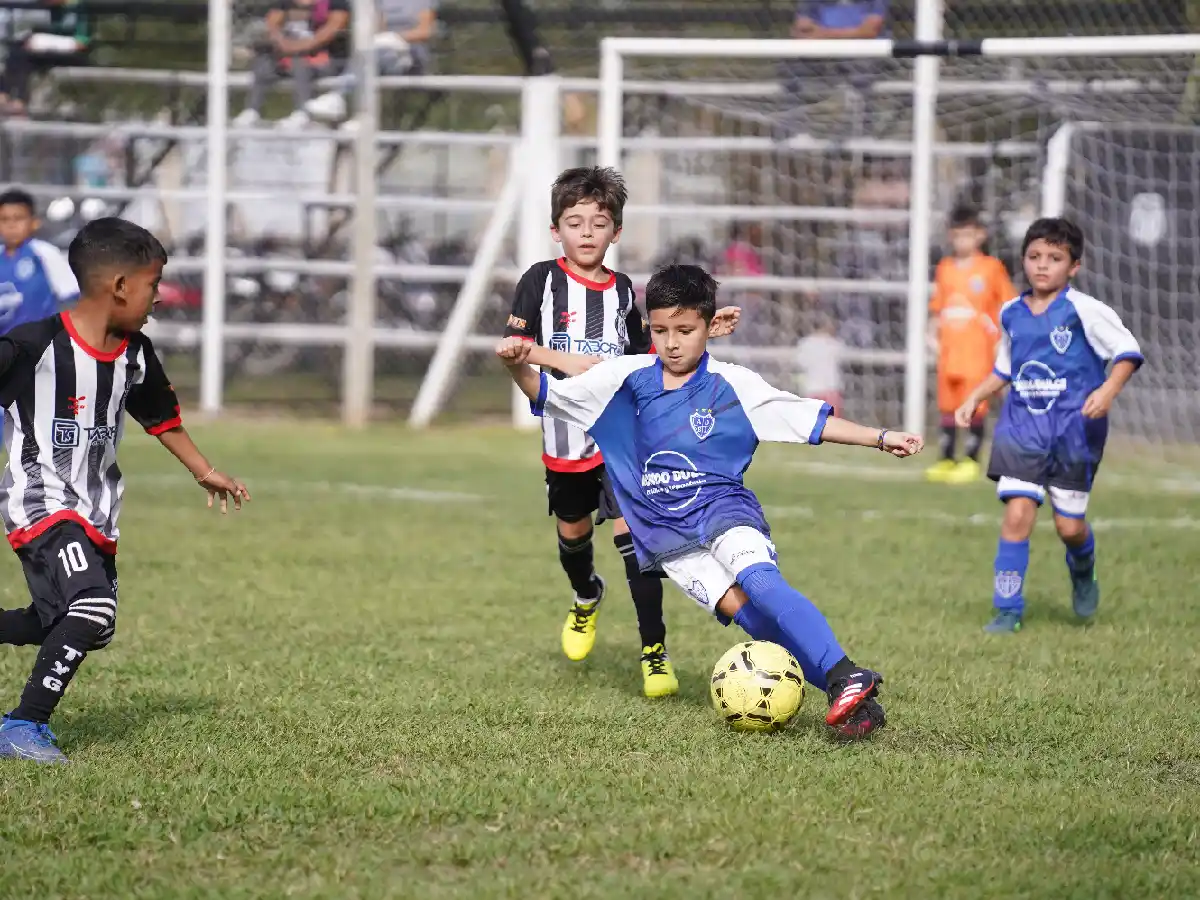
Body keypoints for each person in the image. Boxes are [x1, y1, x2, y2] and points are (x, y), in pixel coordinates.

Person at [498, 263, 925, 738]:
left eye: (685, 330)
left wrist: (880, 437)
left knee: (758, 580)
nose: (671, 342)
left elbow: (810, 422)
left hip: (722, 509)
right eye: (660, 330)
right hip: (665, 535)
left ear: (710, 327)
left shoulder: (731, 384)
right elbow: (546, 394)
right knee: (747, 614)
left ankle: (846, 673)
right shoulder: (623, 377)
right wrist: (518, 364)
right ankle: (847, 694)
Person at [0, 217, 250, 764]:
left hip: (96, 508)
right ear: (118, 286)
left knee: (60, 621)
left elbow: (160, 417)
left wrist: (203, 470)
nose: (158, 298)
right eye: (153, 285)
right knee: (92, 608)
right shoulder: (33, 346)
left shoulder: (135, 353)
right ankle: (22, 725)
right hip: (41, 500)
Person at [503, 166, 740, 699]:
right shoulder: (540, 280)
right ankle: (586, 597)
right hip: (564, 437)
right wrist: (549, 359)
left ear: (616, 232)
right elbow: (513, 344)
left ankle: (653, 651)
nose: (586, 232)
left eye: (599, 222)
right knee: (572, 535)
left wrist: (699, 330)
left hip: (620, 438)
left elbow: (644, 358)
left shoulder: (625, 290)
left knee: (636, 542)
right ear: (555, 229)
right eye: (574, 221)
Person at [954, 217, 1142, 634]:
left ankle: (1082, 567)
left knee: (1068, 526)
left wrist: (1108, 390)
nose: (1042, 266)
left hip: (1075, 432)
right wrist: (975, 396)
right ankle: (1007, 609)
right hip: (1022, 427)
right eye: (1035, 256)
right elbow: (1005, 368)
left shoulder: (1086, 311)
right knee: (1018, 513)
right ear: (1023, 259)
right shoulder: (1011, 313)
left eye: (1054, 259)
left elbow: (1127, 352)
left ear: (1074, 266)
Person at [926, 205, 1017, 484]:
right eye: (957, 235)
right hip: (950, 349)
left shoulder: (991, 268)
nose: (962, 240)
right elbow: (939, 308)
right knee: (948, 404)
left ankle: (971, 459)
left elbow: (1007, 306)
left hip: (978, 349)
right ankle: (946, 458)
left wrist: (1002, 342)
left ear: (980, 236)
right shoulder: (945, 268)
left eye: (968, 235)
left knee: (974, 403)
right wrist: (930, 334)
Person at [304, 0, 438, 128]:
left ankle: (339, 97)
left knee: (378, 53)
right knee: (371, 53)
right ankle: (350, 113)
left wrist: (394, 37)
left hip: (411, 53)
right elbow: (377, 29)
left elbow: (424, 31)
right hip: (381, 52)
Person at [233, 0, 350, 130]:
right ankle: (252, 111)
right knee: (264, 62)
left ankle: (302, 113)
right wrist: (282, 43)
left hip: (325, 60)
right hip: (288, 56)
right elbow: (271, 25)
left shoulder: (335, 3)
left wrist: (298, 47)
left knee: (301, 63)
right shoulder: (285, 3)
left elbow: (332, 29)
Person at [0, 188, 79, 334]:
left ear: (34, 222)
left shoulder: (45, 253)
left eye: (18, 218)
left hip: (40, 349)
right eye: (4, 219)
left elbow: (72, 297)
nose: (11, 225)